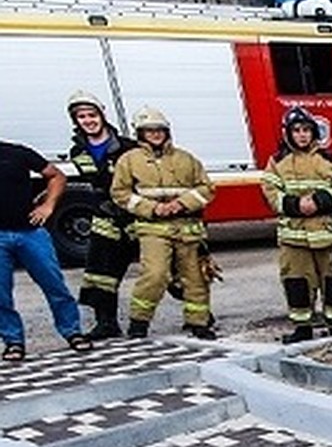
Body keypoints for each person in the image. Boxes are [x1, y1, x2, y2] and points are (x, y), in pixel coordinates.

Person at [111, 107, 216, 339]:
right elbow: (120, 193)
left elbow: (206, 188)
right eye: (149, 131)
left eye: (160, 130)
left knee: (195, 277)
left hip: (187, 229)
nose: (156, 134)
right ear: (140, 133)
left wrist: (182, 203)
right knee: (155, 275)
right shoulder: (129, 161)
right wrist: (152, 208)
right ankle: (139, 322)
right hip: (153, 229)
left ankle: (198, 322)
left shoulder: (186, 159)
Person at [260, 106, 332, 343]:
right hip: (294, 238)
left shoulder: (331, 159)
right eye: (296, 130)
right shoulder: (277, 162)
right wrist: (295, 205)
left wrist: (320, 201)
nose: (302, 135)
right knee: (296, 282)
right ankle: (302, 328)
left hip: (328, 235)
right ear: (287, 134)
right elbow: (269, 192)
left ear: (314, 133)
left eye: (306, 130)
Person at [0, 136, 93, 361]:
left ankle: (73, 332)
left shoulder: (16, 153)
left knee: (54, 285)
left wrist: (48, 205)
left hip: (30, 233)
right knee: (0, 295)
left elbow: (55, 176)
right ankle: (13, 342)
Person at [66, 91, 139, 339]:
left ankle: (199, 318)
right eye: (82, 116)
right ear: (76, 121)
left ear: (102, 115)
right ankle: (106, 323)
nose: (88, 120)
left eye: (92, 114)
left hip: (137, 216)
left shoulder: (129, 147)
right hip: (105, 219)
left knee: (165, 267)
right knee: (100, 272)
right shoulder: (78, 151)